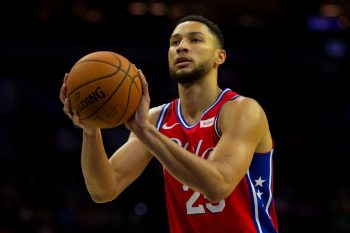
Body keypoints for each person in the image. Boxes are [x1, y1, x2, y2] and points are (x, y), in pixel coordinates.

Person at [60, 14, 279, 233]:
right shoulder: (155, 119)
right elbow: (103, 190)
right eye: (175, 42)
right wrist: (91, 130)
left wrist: (145, 131)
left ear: (219, 57)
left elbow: (218, 185)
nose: (182, 47)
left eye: (195, 40)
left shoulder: (242, 110)